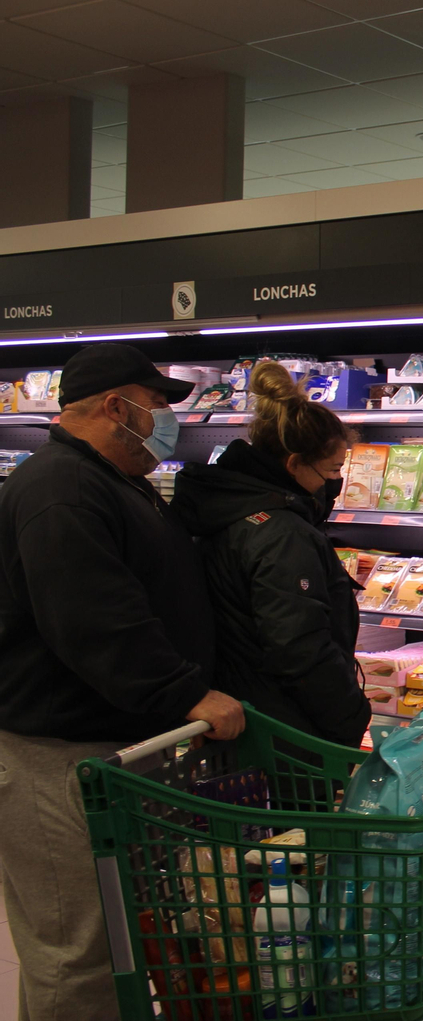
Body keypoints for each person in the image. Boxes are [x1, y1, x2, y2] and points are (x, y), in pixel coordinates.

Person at [0, 343, 245, 1021]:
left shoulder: (109, 481)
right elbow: (94, 620)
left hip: (106, 754)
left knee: (104, 946)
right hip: (57, 760)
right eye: (159, 403)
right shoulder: (60, 489)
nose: (166, 419)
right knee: (77, 952)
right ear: (117, 406)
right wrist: (186, 694)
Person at [172, 361, 371, 747]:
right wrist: (350, 717)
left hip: (243, 715)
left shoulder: (226, 508)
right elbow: (299, 649)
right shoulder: (282, 534)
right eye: (331, 471)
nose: (335, 483)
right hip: (287, 730)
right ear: (294, 464)